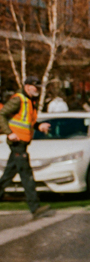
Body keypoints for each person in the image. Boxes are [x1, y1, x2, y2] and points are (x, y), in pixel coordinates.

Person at [0, 76, 52, 220]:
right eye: (35, 87)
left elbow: (28, 122)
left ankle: (35, 207)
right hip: (17, 143)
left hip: (22, 143)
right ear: (27, 86)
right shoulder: (19, 100)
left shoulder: (29, 101)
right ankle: (35, 208)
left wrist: (39, 126)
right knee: (26, 175)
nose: (37, 90)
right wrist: (9, 133)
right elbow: (1, 114)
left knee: (7, 176)